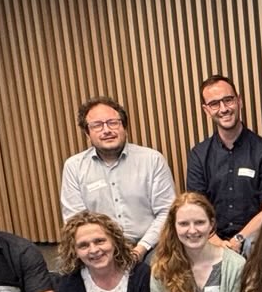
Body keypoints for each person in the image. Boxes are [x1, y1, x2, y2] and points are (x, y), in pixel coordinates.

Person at [59, 96, 177, 258]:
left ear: (124, 127)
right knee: (66, 274)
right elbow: (75, 221)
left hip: (150, 246)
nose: (107, 130)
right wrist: (105, 250)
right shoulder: (74, 167)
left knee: (161, 267)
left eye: (113, 122)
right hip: (98, 249)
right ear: (87, 133)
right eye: (97, 125)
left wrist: (140, 249)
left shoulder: (152, 160)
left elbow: (166, 212)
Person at [186, 74, 262, 254]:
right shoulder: (198, 155)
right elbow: (196, 208)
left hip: (253, 238)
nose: (223, 109)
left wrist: (239, 239)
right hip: (210, 238)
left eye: (228, 100)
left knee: (254, 246)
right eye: (214, 104)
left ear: (239, 101)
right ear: (206, 110)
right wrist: (216, 241)